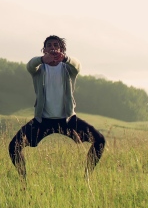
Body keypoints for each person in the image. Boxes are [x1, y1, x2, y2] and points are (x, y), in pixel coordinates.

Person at [8, 35, 106, 178]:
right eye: (49, 45)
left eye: (56, 45)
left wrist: (65, 59)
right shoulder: (39, 69)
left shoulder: (68, 69)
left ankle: (86, 177)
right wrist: (42, 60)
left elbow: (77, 65)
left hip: (67, 119)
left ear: (61, 49)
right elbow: (30, 65)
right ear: (44, 49)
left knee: (100, 140)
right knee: (13, 147)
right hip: (43, 120)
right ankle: (24, 180)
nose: (53, 47)